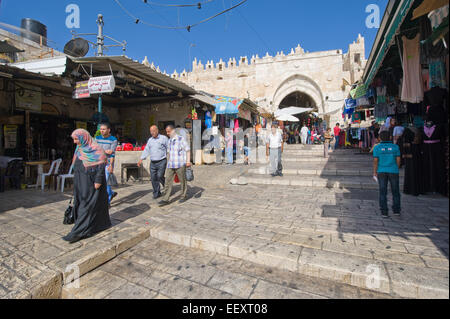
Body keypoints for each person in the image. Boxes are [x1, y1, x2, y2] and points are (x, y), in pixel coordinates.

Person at [62, 129, 111, 243]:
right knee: (83, 203)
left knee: (87, 205)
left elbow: (101, 164)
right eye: (73, 139)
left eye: (76, 139)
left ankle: (79, 231)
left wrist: (98, 180)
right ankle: (99, 225)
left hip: (92, 182)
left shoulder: (96, 149)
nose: (74, 142)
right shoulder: (80, 149)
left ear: (84, 138)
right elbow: (76, 164)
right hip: (81, 182)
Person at [159, 125, 191, 206]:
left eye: (168, 131)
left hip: (180, 163)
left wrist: (187, 161)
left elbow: (187, 150)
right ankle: (165, 199)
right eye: (166, 132)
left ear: (173, 130)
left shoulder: (180, 139)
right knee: (167, 181)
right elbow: (169, 152)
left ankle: (183, 196)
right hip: (171, 164)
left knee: (182, 181)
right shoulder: (169, 141)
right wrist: (167, 162)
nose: (167, 133)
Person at [373, 130, 402, 218]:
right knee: (395, 191)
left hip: (381, 171)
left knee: (382, 192)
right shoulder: (395, 147)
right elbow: (398, 160)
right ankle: (396, 210)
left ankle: (384, 212)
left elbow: (375, 161)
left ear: (379, 138)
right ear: (390, 137)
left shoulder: (377, 148)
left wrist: (375, 172)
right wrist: (396, 167)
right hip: (393, 170)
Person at [138, 125, 169, 200]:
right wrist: (141, 159)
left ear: (157, 130)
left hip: (162, 161)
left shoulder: (163, 138)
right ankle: (157, 192)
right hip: (153, 162)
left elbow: (169, 148)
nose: (152, 133)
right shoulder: (150, 140)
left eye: (154, 131)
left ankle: (167, 187)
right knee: (153, 178)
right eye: (151, 131)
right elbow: (146, 150)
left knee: (160, 176)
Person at [95, 123, 118, 205]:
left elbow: (112, 153)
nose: (102, 131)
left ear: (109, 130)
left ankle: (107, 201)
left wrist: (111, 165)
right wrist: (105, 151)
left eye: (104, 129)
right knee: (100, 181)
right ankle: (111, 193)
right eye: (101, 129)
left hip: (108, 163)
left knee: (106, 181)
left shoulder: (113, 140)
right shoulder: (97, 138)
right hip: (98, 162)